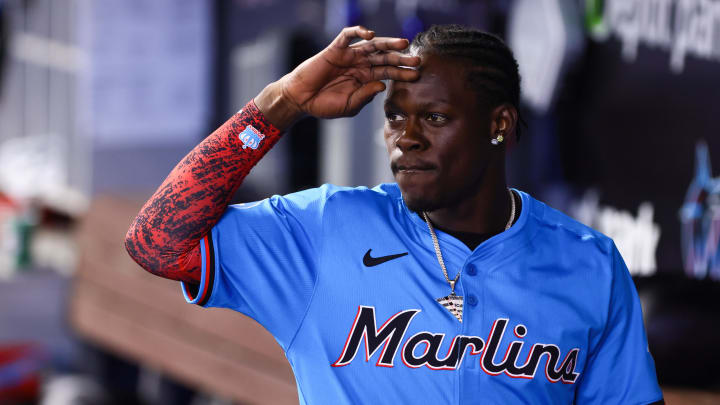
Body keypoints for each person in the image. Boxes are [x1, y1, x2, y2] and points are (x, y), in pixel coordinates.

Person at [125, 24, 664, 404]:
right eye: (394, 117)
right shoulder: (327, 228)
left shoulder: (587, 263)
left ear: (498, 123)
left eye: (433, 116)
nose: (406, 139)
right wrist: (280, 103)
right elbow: (155, 242)